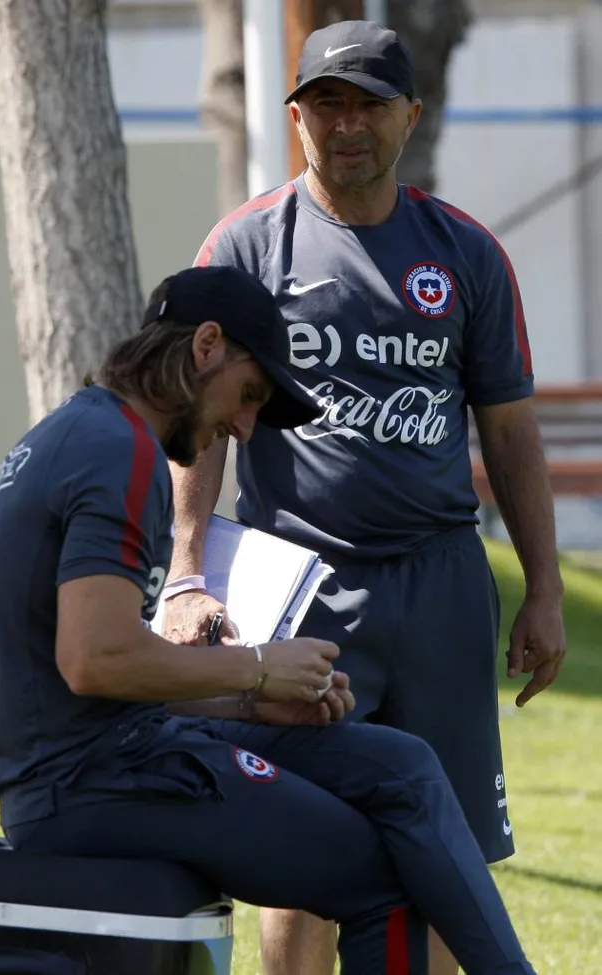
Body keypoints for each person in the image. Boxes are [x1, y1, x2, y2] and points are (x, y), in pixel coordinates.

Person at [0, 264, 538, 975]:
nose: (243, 425)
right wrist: (259, 664)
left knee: (400, 761)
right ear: (206, 346)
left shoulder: (71, 433)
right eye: (249, 394)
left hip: (103, 755)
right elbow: (93, 659)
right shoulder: (120, 450)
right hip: (93, 783)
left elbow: (73, 673)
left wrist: (250, 702)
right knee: (389, 876)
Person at [162, 20, 566, 975]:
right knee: (298, 847)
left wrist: (543, 589)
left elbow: (508, 429)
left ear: (408, 117)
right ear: (296, 117)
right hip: (296, 584)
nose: (348, 125)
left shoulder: (463, 252)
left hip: (437, 587)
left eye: (370, 104)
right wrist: (183, 574)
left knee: (444, 846)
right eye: (326, 104)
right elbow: (195, 425)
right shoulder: (246, 244)